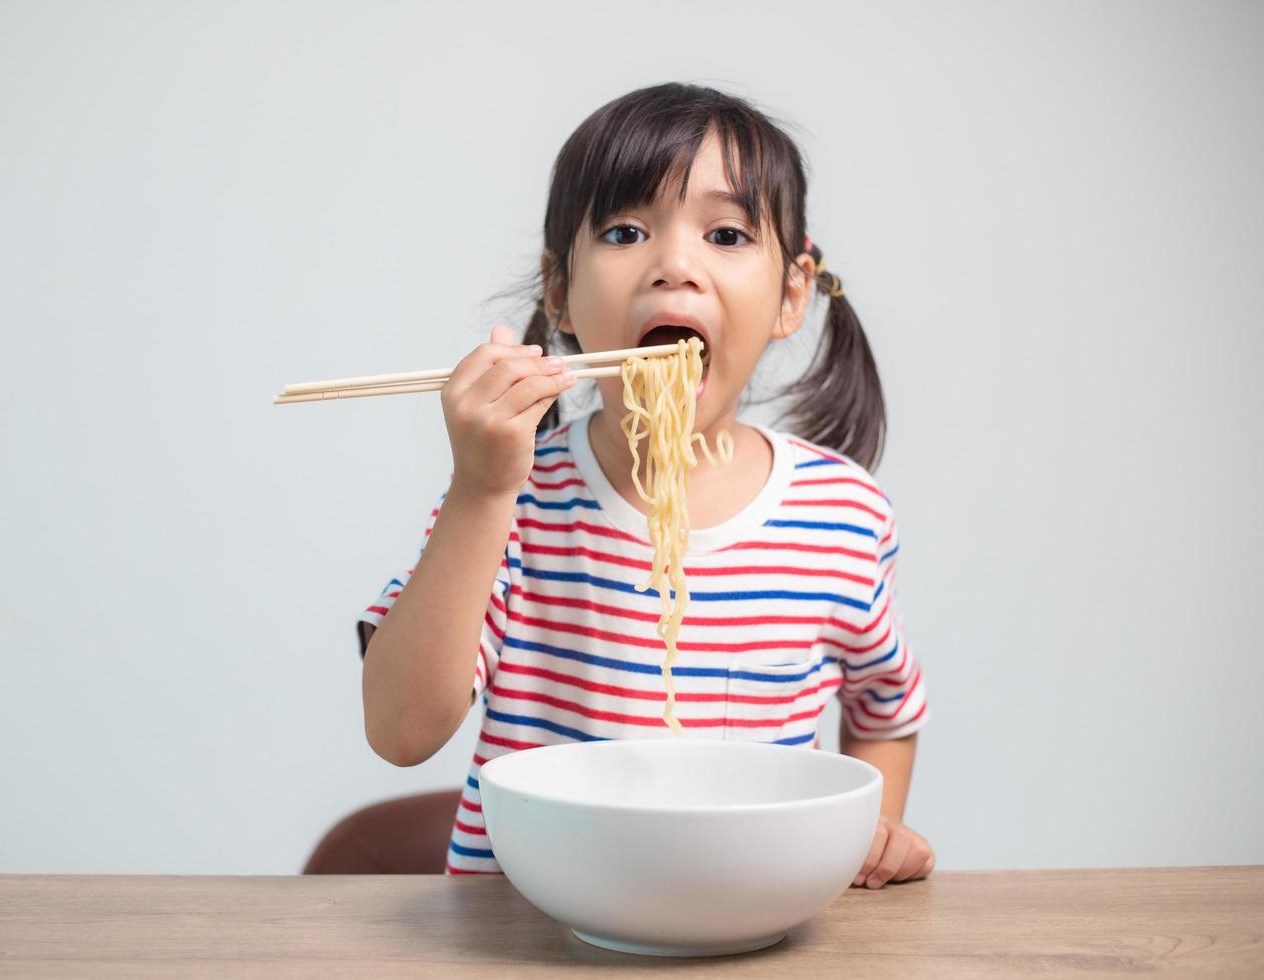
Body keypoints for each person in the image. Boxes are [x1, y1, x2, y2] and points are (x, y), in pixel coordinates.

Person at [355, 82, 932, 888]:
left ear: (791, 294)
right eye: (627, 231)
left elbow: (886, 708)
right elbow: (400, 730)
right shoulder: (513, 500)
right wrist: (479, 494)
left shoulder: (842, 516)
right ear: (559, 291)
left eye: (726, 234)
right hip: (528, 935)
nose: (675, 267)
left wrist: (874, 832)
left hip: (750, 929)